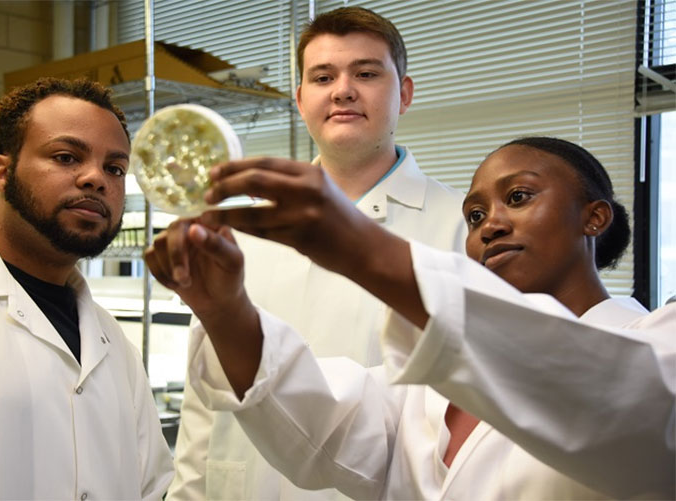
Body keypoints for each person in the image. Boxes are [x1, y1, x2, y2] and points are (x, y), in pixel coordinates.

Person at [146, 137, 675, 500]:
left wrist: (360, 248)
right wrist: (225, 310)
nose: (490, 225)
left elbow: (626, 407)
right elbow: (324, 420)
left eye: (518, 197)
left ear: (595, 216)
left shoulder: (655, 349)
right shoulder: (424, 392)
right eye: (474, 216)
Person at [168, 6, 467, 500]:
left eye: (366, 73)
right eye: (323, 76)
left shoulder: (463, 228)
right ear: (301, 99)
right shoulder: (244, 229)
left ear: (405, 93)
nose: (343, 89)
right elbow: (205, 398)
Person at [0, 77, 174, 500]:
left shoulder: (114, 345)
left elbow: (150, 488)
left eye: (115, 168)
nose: (96, 178)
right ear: (3, 173)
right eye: (66, 156)